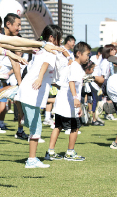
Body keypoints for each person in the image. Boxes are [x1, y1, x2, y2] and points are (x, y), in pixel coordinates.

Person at [14, 24, 63, 168]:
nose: (60, 41)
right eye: (59, 38)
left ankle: (22, 115)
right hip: (32, 91)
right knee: (36, 128)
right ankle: (31, 160)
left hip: (27, 90)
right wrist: (41, 78)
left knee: (33, 125)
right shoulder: (50, 49)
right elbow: (46, 64)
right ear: (52, 37)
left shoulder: (41, 49)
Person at [45, 42, 91, 161]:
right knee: (75, 127)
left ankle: (50, 151)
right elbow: (71, 82)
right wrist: (76, 99)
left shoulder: (71, 65)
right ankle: (70, 152)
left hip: (62, 103)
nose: (88, 57)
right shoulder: (75, 66)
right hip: (69, 104)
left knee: (58, 126)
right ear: (79, 53)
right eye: (87, 54)